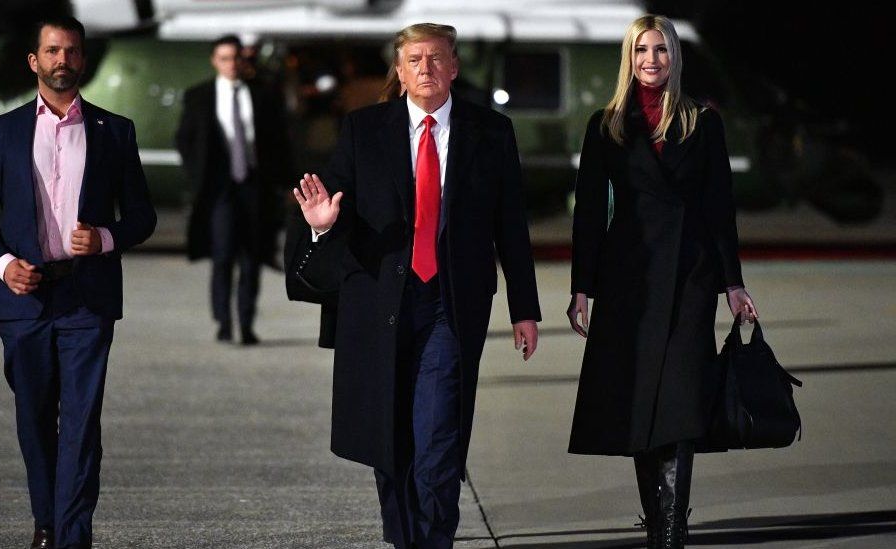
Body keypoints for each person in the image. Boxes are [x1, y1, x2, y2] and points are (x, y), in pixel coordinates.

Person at [291, 23, 541, 549]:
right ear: (399, 72)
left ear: (453, 67)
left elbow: (510, 226)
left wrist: (525, 307)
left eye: (436, 58)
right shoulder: (363, 130)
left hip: (449, 305)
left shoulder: (490, 132)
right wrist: (321, 224)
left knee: (438, 441)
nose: (425, 68)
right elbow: (334, 217)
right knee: (391, 442)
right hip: (379, 306)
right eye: (414, 60)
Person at [0, 16, 156, 549]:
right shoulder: (0, 132)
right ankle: (46, 523)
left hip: (86, 299)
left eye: (71, 52)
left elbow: (141, 216)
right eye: (52, 51)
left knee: (81, 422)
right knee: (34, 419)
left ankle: (72, 536)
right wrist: (4, 265)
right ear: (34, 61)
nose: (62, 61)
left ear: (83, 61)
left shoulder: (115, 131)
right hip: (21, 298)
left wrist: (105, 239)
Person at [565, 14, 758, 549]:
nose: (652, 60)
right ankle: (657, 523)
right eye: (642, 51)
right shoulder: (605, 124)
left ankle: (671, 530)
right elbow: (588, 213)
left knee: (677, 398)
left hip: (690, 275)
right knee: (636, 399)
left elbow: (721, 207)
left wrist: (732, 282)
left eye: (662, 51)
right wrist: (582, 286)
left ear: (676, 58)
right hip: (628, 278)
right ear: (629, 58)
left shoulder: (702, 121)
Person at [176, 35, 293, 345]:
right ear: (215, 61)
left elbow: (279, 142)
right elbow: (185, 139)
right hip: (220, 188)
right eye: (225, 58)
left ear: (244, 61)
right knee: (223, 255)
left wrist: (284, 183)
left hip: (255, 186)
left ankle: (246, 321)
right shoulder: (199, 96)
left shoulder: (263, 96)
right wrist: (197, 176)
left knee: (252, 257)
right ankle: (224, 322)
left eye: (236, 58)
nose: (231, 64)